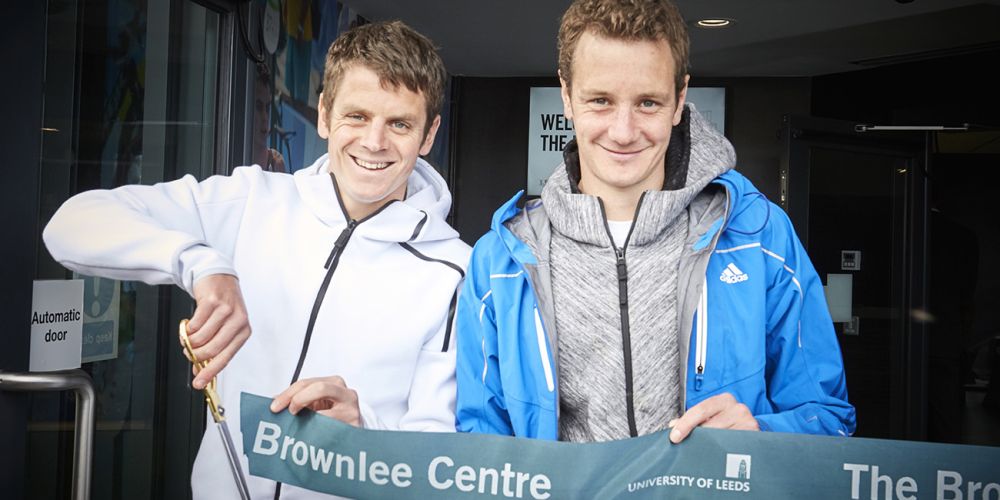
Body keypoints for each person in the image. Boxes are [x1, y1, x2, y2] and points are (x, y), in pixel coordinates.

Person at [44, 20, 469, 499]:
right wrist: (202, 264)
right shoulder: (250, 200)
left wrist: (363, 431)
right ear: (325, 115)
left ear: (429, 133)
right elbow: (70, 224)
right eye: (357, 116)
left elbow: (439, 461)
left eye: (400, 124)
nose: (374, 142)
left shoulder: (457, 273)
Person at [454, 0, 856, 444]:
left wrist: (760, 431)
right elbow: (481, 449)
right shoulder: (499, 262)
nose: (624, 131)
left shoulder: (760, 236)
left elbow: (830, 419)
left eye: (648, 102)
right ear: (567, 97)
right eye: (600, 101)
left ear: (680, 99)